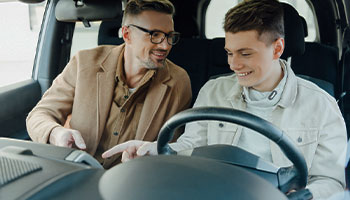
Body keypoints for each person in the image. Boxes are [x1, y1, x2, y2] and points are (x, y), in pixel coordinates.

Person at [102, 0, 347, 199]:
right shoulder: (214, 91)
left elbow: (331, 181)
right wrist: (152, 150)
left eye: (245, 53)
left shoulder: (321, 105)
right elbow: (191, 148)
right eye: (229, 52)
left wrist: (304, 195)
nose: (233, 64)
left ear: (277, 48)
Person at [26, 0, 192, 169]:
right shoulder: (84, 63)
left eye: (170, 36)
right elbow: (39, 115)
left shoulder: (178, 81)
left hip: (135, 179)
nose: (165, 45)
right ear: (127, 34)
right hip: (78, 170)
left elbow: (172, 148)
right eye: (155, 35)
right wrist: (56, 133)